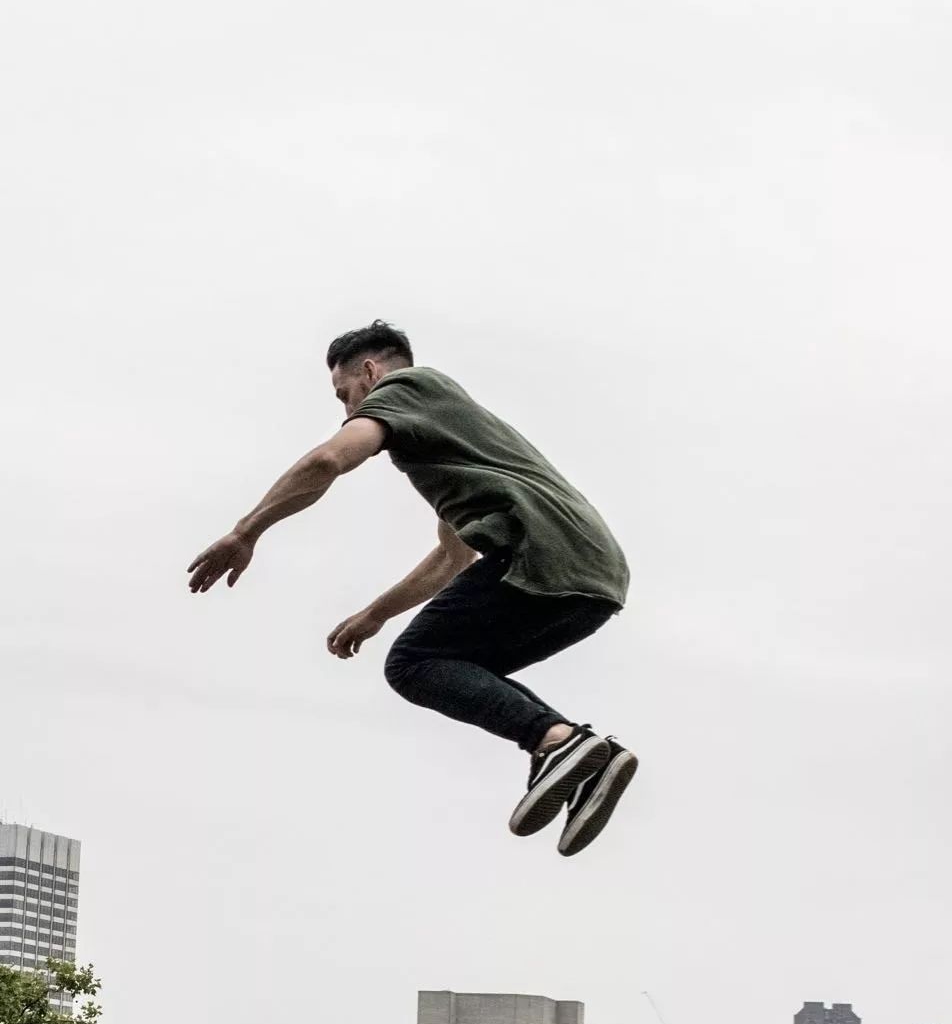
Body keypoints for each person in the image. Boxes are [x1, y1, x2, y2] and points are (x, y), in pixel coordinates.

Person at [188, 320, 637, 856]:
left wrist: (245, 532)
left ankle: (560, 743)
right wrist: (376, 614)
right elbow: (453, 556)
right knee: (453, 667)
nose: (347, 411)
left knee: (413, 664)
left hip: (544, 555)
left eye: (345, 394)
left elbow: (328, 460)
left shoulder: (408, 389)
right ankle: (585, 760)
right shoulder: (455, 439)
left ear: (371, 372)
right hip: (591, 580)